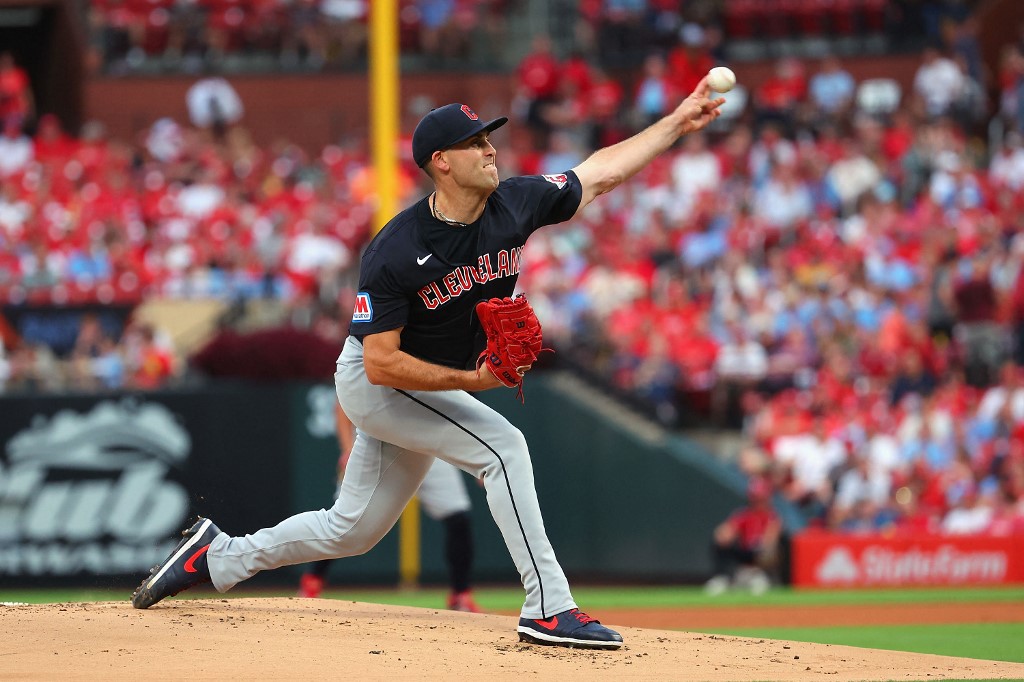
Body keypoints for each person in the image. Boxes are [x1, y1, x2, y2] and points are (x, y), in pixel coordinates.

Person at [131, 82, 725, 650]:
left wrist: (678, 120)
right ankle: (548, 605)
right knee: (504, 448)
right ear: (441, 162)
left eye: (489, 139)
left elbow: (602, 172)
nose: (491, 149)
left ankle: (216, 556)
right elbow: (382, 362)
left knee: (352, 530)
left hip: (418, 384)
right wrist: (471, 382)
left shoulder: (515, 202)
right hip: (375, 379)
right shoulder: (394, 249)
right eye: (476, 143)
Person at [297, 403, 481, 613]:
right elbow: (342, 403)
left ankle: (461, 594)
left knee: (458, 516)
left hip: (428, 442)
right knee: (344, 521)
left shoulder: (440, 370)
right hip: (379, 442)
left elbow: (456, 407)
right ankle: (312, 581)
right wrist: (348, 449)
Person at [704, 477, 781, 596]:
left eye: (760, 497)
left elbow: (770, 539)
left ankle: (760, 577)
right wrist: (724, 534)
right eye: (755, 497)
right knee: (719, 543)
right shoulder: (744, 514)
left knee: (767, 551)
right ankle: (722, 578)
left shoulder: (772, 517)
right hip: (744, 551)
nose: (757, 501)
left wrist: (762, 545)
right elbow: (725, 531)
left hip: (760, 553)